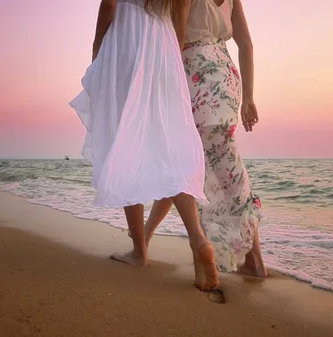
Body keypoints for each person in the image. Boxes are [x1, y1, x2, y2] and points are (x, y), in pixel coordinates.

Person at [69, 0, 222, 294]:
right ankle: (198, 239)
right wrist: (169, 62)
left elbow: (110, 4)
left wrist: (97, 48)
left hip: (127, 38)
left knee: (127, 140)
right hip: (164, 45)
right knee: (168, 147)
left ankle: (140, 251)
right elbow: (180, 25)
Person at [136, 0, 268, 278]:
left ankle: (247, 258)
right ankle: (253, 259)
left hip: (196, 76)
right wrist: (249, 97)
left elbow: (178, 38)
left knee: (188, 164)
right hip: (226, 79)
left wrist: (160, 83)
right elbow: (246, 45)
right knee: (214, 167)